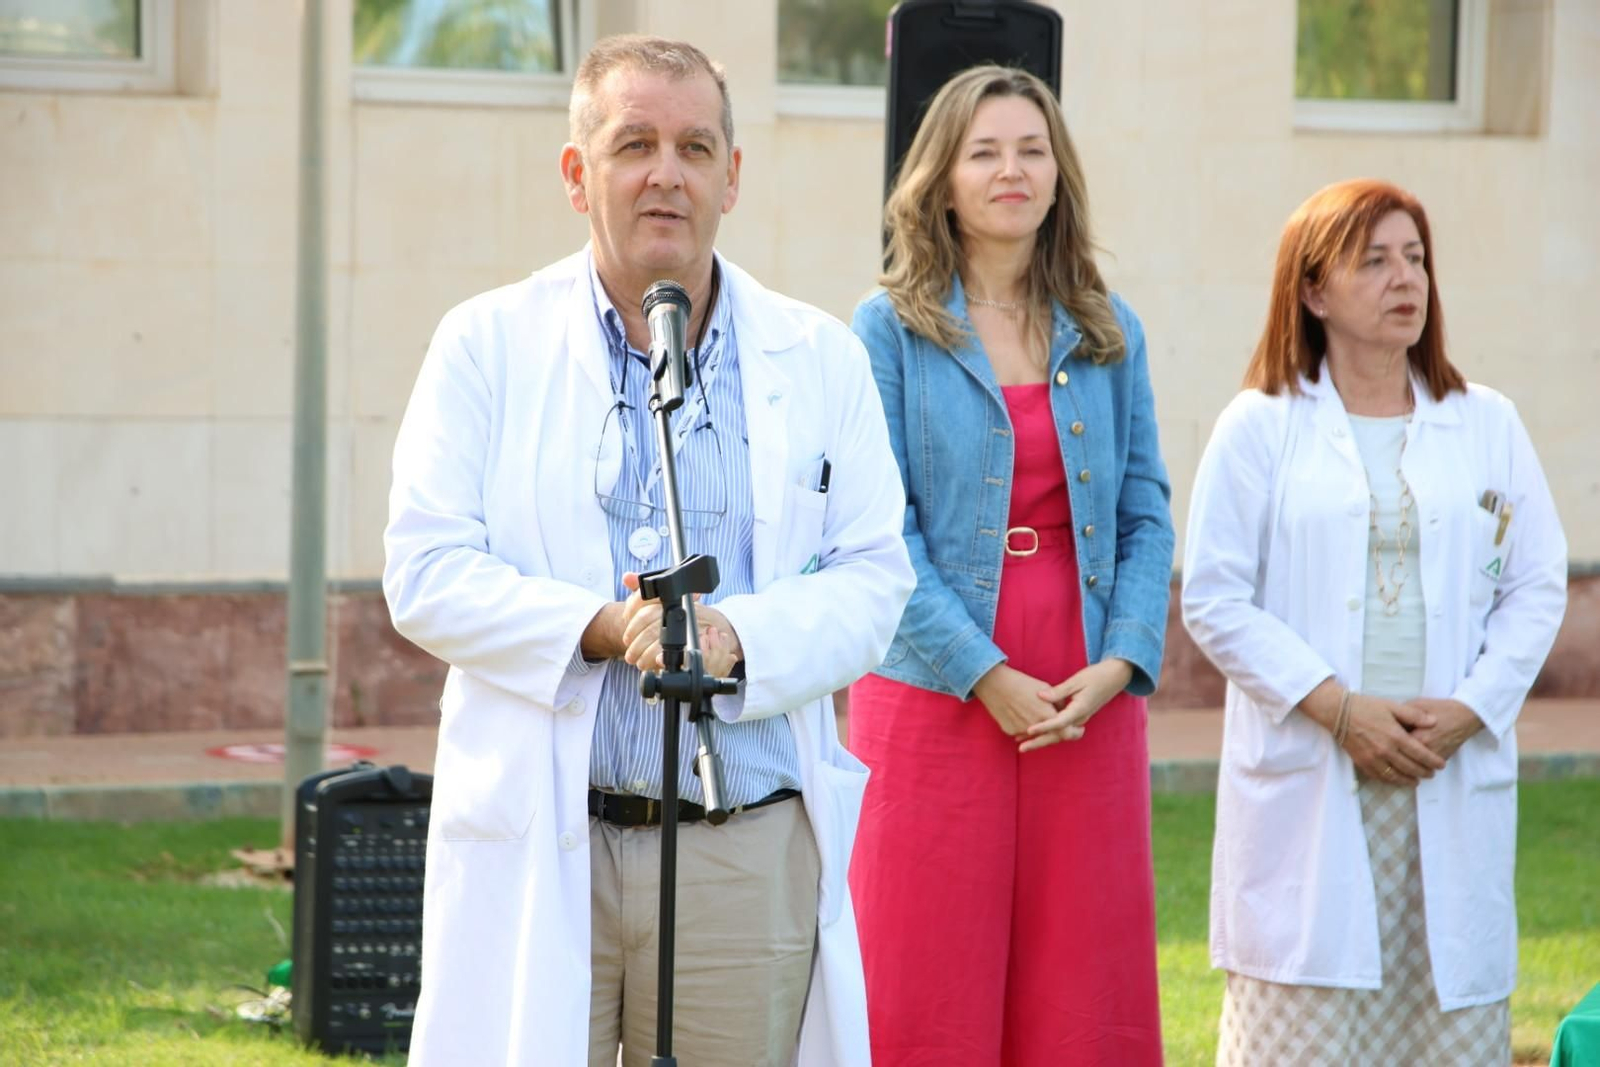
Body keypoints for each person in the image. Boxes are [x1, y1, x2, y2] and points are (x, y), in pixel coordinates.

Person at [382, 35, 914, 1067]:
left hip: (741, 844)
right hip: (547, 838)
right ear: (578, 174)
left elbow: (874, 574)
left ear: (732, 175)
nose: (665, 172)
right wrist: (601, 623)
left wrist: (736, 638)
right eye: (634, 143)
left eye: (693, 145)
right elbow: (424, 567)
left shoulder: (820, 357)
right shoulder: (485, 344)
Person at [1182, 179, 1568, 1066]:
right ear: (1313, 292)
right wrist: (1335, 708)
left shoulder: (1486, 424)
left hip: (1444, 764)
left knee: (1443, 1027)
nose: (1406, 279)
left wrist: (1473, 706)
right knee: (1305, 1031)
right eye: (1375, 260)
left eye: (1417, 257)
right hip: (1313, 775)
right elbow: (1213, 594)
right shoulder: (1260, 427)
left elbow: (1540, 582)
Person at [848, 65, 1174, 1066]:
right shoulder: (887, 329)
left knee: (1084, 989)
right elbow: (873, 529)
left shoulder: (1109, 327)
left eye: (1031, 149)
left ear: (1058, 172)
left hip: (1086, 694)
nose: (1010, 170)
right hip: (934, 691)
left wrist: (1120, 664)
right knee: (922, 977)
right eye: (983, 151)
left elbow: (1145, 511)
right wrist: (980, 670)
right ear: (940, 177)